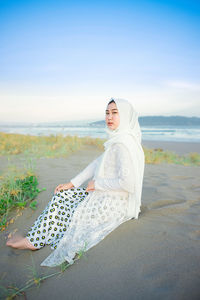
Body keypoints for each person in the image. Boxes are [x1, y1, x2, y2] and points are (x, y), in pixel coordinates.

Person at [6, 98, 145, 267]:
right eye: (107, 113)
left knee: (67, 204)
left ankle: (34, 241)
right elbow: (96, 163)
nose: (109, 117)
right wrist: (72, 183)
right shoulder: (119, 140)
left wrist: (97, 184)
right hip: (107, 194)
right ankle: (35, 238)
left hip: (113, 204)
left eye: (115, 113)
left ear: (126, 116)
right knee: (64, 194)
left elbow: (129, 184)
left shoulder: (123, 144)